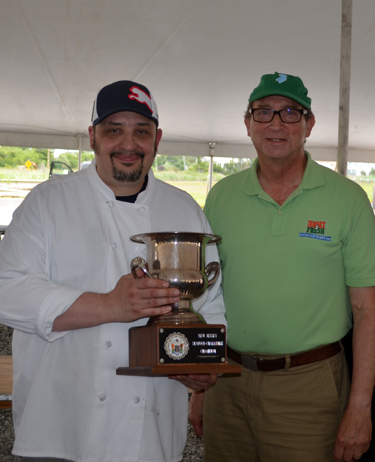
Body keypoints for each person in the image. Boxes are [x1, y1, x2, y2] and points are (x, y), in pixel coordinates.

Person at [0, 80, 226, 462]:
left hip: (149, 436)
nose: (128, 143)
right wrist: (110, 305)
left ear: (157, 139)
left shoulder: (184, 208)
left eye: (141, 131)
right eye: (113, 130)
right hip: (59, 428)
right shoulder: (48, 202)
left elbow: (211, 304)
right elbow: (8, 290)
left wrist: (205, 367)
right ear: (92, 137)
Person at [189, 72, 375, 462]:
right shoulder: (222, 196)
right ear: (247, 124)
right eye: (264, 112)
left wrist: (360, 407)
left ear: (308, 125)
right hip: (227, 378)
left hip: (309, 387)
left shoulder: (348, 200)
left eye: (291, 112)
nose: (276, 124)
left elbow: (367, 309)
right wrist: (200, 389)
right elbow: (205, 297)